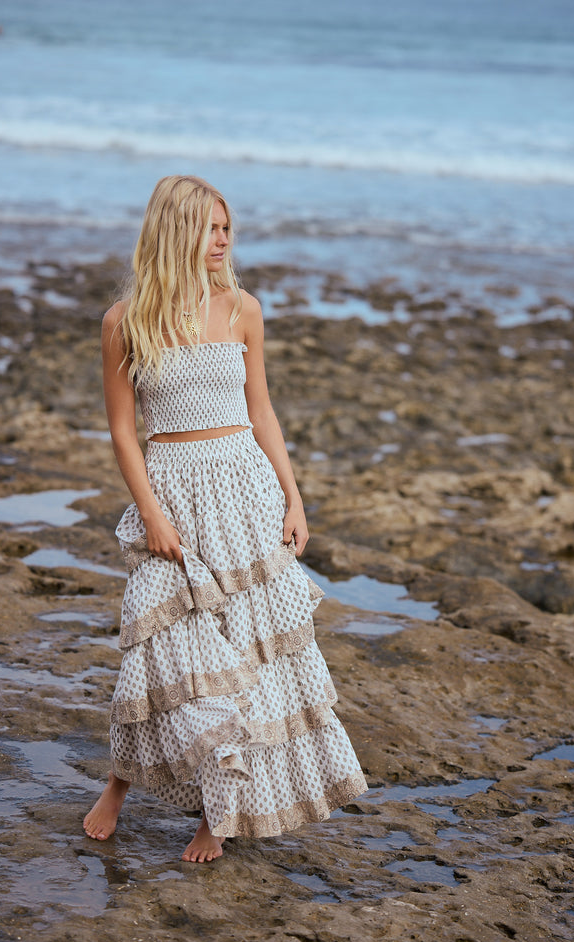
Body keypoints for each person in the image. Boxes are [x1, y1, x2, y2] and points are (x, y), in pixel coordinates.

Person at [83, 175, 367, 862]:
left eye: (226, 229)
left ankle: (221, 810)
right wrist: (151, 514)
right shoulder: (125, 321)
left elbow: (261, 410)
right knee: (158, 653)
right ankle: (118, 783)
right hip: (174, 494)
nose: (222, 241)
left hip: (244, 490)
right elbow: (123, 431)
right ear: (175, 232)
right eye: (209, 229)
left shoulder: (242, 309)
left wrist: (294, 498)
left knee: (245, 655)